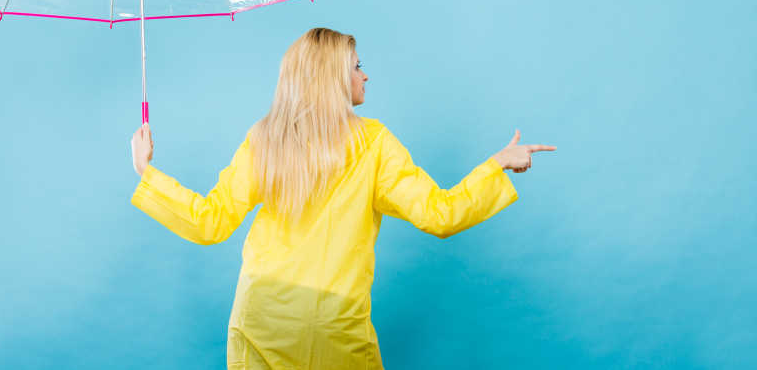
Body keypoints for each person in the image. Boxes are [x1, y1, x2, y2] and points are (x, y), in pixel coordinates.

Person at [129, 27, 555, 369]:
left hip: (259, 318)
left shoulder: (265, 139)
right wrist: (496, 165)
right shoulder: (372, 142)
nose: (365, 75)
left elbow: (210, 221)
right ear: (331, 77)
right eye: (356, 66)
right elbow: (438, 214)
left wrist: (147, 173)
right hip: (332, 325)